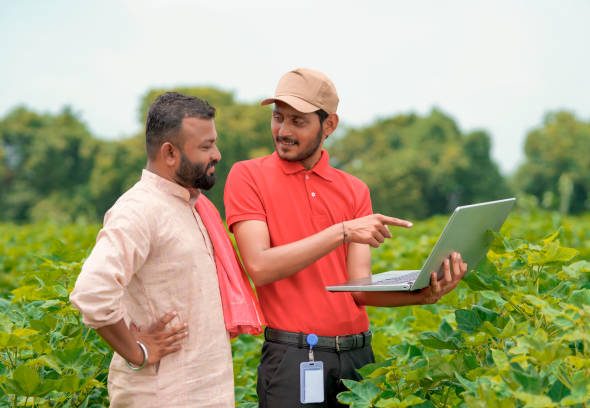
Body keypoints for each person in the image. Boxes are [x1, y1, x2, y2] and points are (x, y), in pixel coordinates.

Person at [224, 68, 468, 407]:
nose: (283, 131)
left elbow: (358, 289)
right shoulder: (248, 176)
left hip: (357, 359)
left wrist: (423, 294)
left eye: (298, 121)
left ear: (330, 125)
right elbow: (260, 266)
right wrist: (341, 231)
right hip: (294, 359)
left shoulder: (353, 190)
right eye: (278, 118)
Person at [70, 92, 262, 407]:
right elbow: (92, 291)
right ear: (170, 153)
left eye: (214, 142)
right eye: (205, 146)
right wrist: (137, 350)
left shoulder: (192, 206)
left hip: (206, 391)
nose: (217, 154)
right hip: (163, 394)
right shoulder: (139, 209)